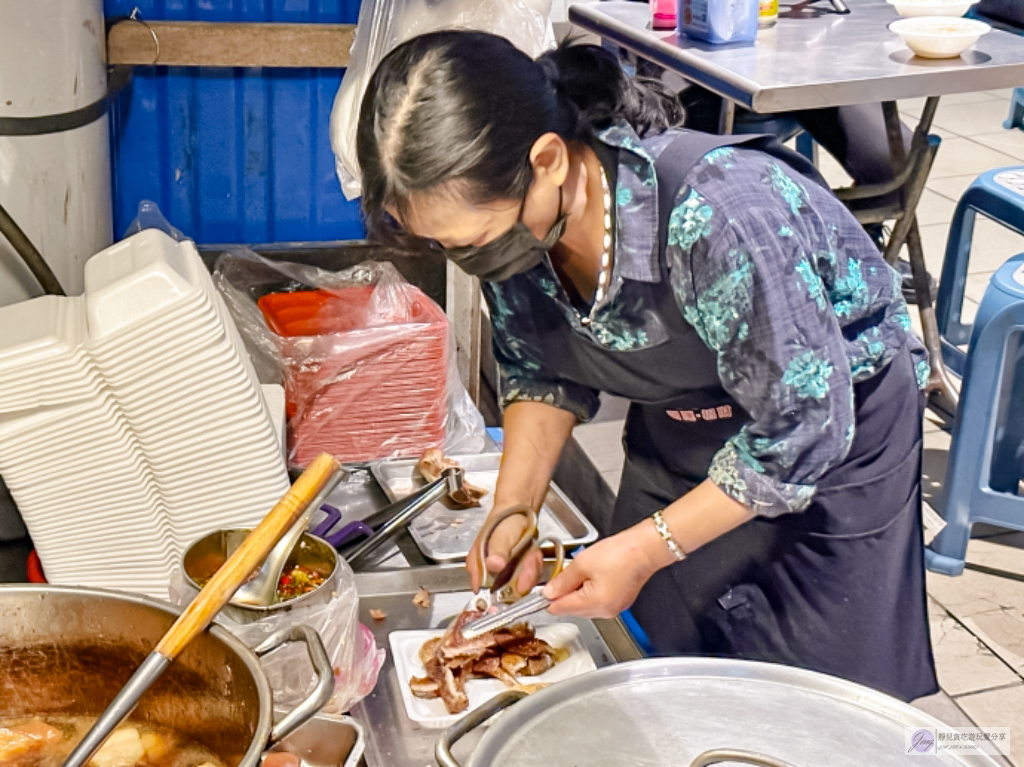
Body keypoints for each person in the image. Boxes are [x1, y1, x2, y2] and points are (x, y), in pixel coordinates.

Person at [356, 31, 939, 702]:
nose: (471, 257)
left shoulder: (718, 213)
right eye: (448, 245)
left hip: (829, 439)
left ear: (546, 159)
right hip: (690, 423)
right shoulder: (518, 228)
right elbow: (541, 370)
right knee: (659, 649)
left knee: (812, 693)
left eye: (475, 240)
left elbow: (801, 429)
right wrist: (516, 507)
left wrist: (645, 546)